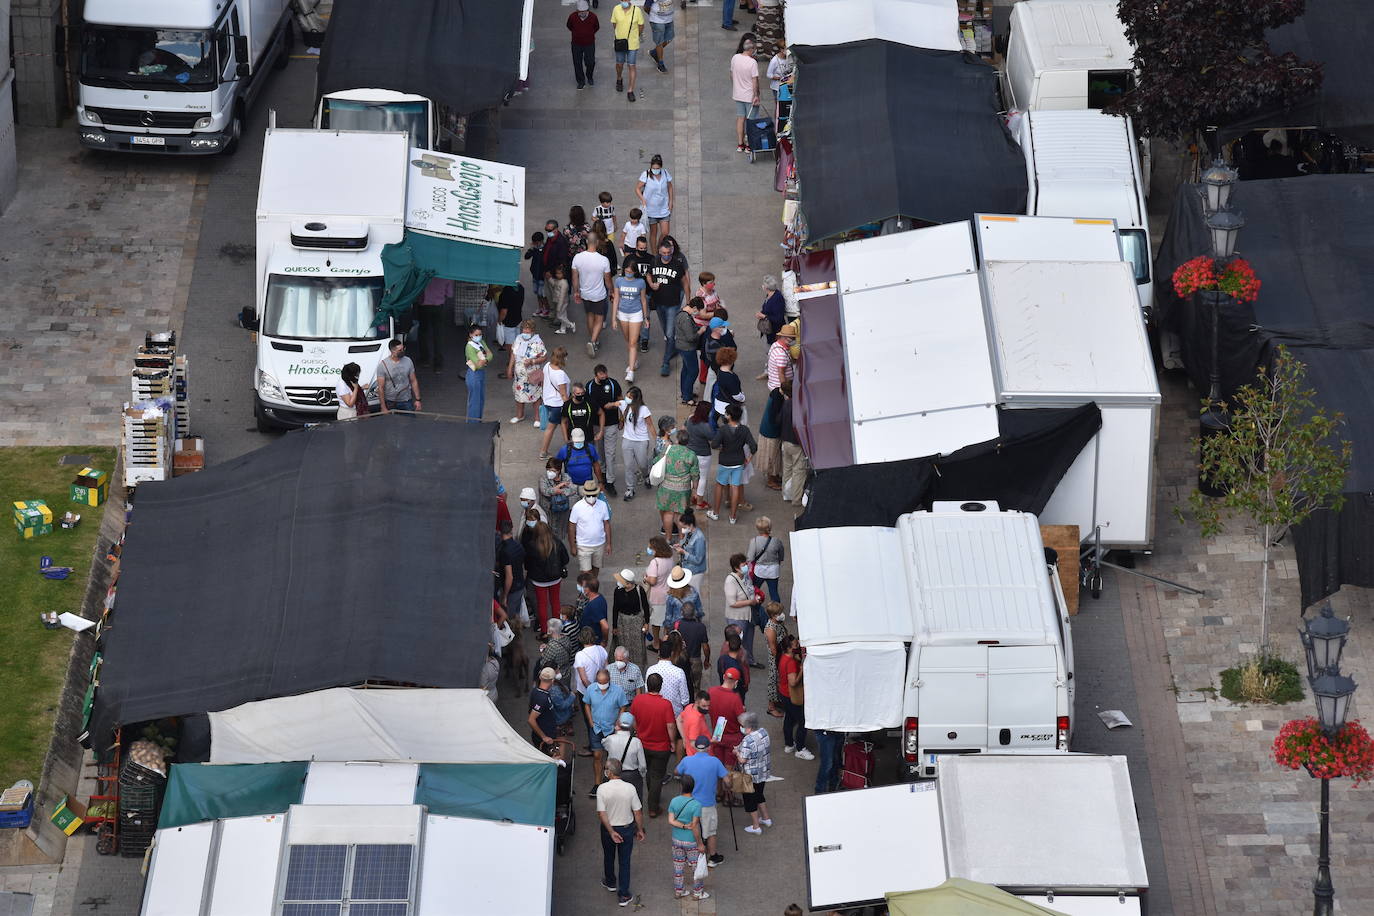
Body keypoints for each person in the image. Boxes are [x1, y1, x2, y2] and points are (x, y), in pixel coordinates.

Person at [596, 758, 645, 906]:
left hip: (608, 829)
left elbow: (602, 814)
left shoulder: (602, 789)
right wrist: (640, 829)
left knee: (609, 856)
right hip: (626, 828)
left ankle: (610, 882)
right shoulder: (630, 788)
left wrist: (611, 831)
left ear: (609, 772)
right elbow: (637, 812)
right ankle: (623, 894)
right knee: (624, 861)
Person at [628, 672, 679, 816]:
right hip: (661, 747)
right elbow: (670, 726)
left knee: (649, 772)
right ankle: (653, 807)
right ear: (661, 686)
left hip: (642, 744)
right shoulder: (665, 704)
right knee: (657, 775)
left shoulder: (638, 700)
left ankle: (652, 796)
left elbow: (633, 720)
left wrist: (639, 731)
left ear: (646, 685)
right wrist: (672, 742)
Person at [675, 736, 728, 868]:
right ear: (709, 747)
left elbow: (676, 771)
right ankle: (713, 857)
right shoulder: (714, 761)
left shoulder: (687, 760)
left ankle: (692, 856)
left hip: (689, 803)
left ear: (695, 747)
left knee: (692, 828)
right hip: (707, 803)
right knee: (710, 831)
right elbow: (727, 780)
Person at [645, 235, 688, 375]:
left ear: (671, 251)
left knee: (670, 333)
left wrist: (689, 302)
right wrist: (651, 284)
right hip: (658, 303)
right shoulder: (654, 261)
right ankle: (673, 348)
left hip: (673, 304)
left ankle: (666, 362)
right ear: (659, 251)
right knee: (666, 330)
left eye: (668, 253)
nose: (666, 256)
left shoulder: (677, 263)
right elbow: (648, 274)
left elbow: (685, 282)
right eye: (663, 253)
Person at [708, 404, 757, 524]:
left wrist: (721, 447)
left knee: (720, 485)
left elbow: (714, 444)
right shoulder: (744, 430)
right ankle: (733, 516)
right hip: (739, 462)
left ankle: (715, 512)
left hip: (725, 461)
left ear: (729, 416)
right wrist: (748, 459)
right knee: (735, 487)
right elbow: (754, 447)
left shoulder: (723, 430)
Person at [585, 667, 631, 792]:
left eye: (604, 682)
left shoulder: (618, 691)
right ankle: (597, 784)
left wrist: (618, 721)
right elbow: (587, 704)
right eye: (599, 682)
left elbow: (623, 706)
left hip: (611, 728)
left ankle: (612, 781)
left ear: (609, 680)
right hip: (596, 728)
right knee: (597, 755)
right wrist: (590, 721)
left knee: (612, 757)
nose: (602, 685)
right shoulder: (591, 689)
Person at [523, 519, 569, 635]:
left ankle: (544, 631)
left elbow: (527, 564)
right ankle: (557, 630)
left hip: (539, 581)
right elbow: (566, 558)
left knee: (542, 604)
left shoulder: (532, 546)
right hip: (555, 578)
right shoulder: (557, 543)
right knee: (555, 602)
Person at [667, 773, 709, 900]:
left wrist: (682, 826)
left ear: (681, 786)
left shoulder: (674, 801)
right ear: (693, 787)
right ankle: (697, 893)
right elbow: (695, 826)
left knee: (678, 866)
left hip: (676, 839)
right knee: (696, 867)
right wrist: (700, 843)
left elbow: (671, 821)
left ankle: (679, 891)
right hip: (691, 841)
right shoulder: (696, 804)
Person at [571, 235, 612, 359]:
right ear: (597, 242)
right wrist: (612, 291)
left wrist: (576, 291)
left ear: (587, 242)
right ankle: (593, 341)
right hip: (599, 294)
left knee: (589, 316)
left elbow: (575, 277)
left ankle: (594, 339)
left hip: (585, 293)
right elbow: (608, 279)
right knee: (599, 319)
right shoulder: (603, 260)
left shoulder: (577, 257)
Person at [587, 365, 624, 497]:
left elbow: (621, 401)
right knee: (599, 452)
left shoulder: (613, 384)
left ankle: (610, 481)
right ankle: (602, 473)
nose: (604, 377)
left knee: (610, 453)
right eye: (601, 375)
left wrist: (622, 418)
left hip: (612, 424)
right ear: (596, 375)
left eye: (605, 374)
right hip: (595, 425)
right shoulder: (590, 387)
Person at [735, 711, 773, 834]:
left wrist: (736, 752)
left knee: (750, 800)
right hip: (763, 771)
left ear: (749, 727)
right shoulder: (764, 732)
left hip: (749, 776)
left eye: (742, 725)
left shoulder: (748, 740)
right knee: (759, 794)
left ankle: (756, 826)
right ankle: (766, 818)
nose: (741, 728)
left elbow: (742, 760)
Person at [611, 260, 648, 381]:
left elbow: (643, 300)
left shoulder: (641, 282)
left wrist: (645, 317)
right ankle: (634, 360)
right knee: (628, 340)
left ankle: (631, 371)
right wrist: (613, 318)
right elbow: (616, 299)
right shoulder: (618, 281)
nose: (628, 273)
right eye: (626, 271)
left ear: (635, 272)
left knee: (632, 342)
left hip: (636, 314)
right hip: (622, 314)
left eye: (631, 272)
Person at [777, 635, 812, 758]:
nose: (797, 644)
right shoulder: (791, 662)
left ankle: (789, 744)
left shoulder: (784, 658)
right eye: (795, 644)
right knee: (802, 721)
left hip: (783, 693)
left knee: (789, 718)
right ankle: (800, 748)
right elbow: (793, 682)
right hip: (791, 695)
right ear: (789, 648)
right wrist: (802, 670)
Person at [724, 553, 762, 666]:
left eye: (746, 564)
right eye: (743, 565)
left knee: (749, 640)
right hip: (737, 617)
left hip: (748, 615)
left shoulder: (746, 576)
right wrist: (751, 602)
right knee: (737, 641)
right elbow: (732, 603)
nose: (746, 566)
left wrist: (756, 598)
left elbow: (750, 589)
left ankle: (749, 660)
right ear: (736, 568)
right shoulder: (730, 581)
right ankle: (736, 664)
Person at [569, 480, 613, 576]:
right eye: (589, 496)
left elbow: (606, 524)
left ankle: (592, 588)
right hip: (583, 545)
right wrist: (572, 546)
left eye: (593, 495)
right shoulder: (577, 507)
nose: (591, 498)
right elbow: (571, 526)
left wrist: (609, 543)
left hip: (600, 544)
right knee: (586, 573)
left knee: (596, 568)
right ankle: (587, 589)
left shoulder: (602, 505)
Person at [508, 319, 548, 424]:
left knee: (536, 396)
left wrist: (532, 361)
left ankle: (537, 418)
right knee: (519, 394)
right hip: (519, 376)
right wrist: (510, 367)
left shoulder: (538, 341)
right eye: (524, 330)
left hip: (532, 375)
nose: (525, 333)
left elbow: (544, 357)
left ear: (533, 330)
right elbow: (513, 354)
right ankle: (519, 415)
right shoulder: (518, 339)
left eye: (527, 331)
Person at [612, 569, 651, 671]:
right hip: (622, 622)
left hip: (636, 621)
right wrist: (614, 626)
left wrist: (647, 623)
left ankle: (638, 667)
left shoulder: (639, 590)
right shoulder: (618, 590)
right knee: (623, 643)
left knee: (638, 645)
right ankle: (624, 664)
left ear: (628, 583)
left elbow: (645, 607)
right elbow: (615, 608)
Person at [604, 711, 647, 803]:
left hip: (614, 774)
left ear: (618, 723)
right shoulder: (636, 741)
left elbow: (603, 744)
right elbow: (642, 765)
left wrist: (615, 730)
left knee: (615, 802)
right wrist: (641, 775)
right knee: (635, 802)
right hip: (632, 775)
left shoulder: (610, 739)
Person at [618, 386, 653, 500]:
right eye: (627, 395)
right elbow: (612, 404)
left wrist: (657, 439)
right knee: (628, 465)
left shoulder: (644, 409)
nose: (627, 398)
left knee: (642, 464)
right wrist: (607, 405)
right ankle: (630, 489)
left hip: (641, 441)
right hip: (627, 440)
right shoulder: (624, 404)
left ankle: (645, 475)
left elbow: (650, 425)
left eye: (630, 397)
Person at [707, 668, 745, 767]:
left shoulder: (711, 692)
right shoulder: (735, 698)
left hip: (717, 735)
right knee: (729, 770)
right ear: (736, 682)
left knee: (718, 767)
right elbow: (742, 721)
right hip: (732, 737)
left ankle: (718, 783)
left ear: (724, 677)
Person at [778, 381, 808, 502]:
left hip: (785, 441)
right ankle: (796, 499)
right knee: (799, 471)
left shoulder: (786, 404)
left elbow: (778, 420)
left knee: (787, 469)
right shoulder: (800, 405)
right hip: (796, 443)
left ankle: (786, 494)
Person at [610, 0, 646, 102]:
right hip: (620, 43)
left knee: (631, 65)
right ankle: (619, 78)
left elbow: (641, 26)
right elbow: (614, 24)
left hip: (632, 44)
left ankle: (630, 90)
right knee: (619, 64)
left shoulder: (637, 11)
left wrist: (635, 36)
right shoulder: (616, 9)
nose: (624, 1)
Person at [539, 347, 571, 458]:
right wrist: (569, 406)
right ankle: (543, 452)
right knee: (552, 427)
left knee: (561, 424)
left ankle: (568, 446)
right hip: (558, 404)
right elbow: (563, 394)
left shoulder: (547, 366)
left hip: (548, 400)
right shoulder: (560, 374)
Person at [644, 535, 675, 648]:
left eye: (650, 547)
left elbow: (652, 580)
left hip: (657, 596)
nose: (649, 549)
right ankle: (666, 641)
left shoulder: (655, 562)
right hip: (669, 593)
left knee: (656, 622)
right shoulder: (670, 559)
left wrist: (645, 578)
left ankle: (656, 644)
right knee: (667, 622)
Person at [674, 601, 711, 696]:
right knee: (696, 687)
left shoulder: (677, 625)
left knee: (680, 685)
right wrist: (706, 660)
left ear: (682, 612)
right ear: (694, 613)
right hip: (695, 660)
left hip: (680, 659)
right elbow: (705, 647)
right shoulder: (700, 627)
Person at [746, 516, 785, 606]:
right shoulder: (776, 541)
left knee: (755, 589)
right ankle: (776, 611)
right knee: (774, 592)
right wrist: (779, 561)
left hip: (759, 570)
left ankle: (755, 606)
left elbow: (750, 558)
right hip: (773, 571)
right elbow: (781, 554)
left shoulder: (754, 541)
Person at [415, 277, 451, 372]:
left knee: (423, 332)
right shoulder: (446, 274)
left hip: (423, 306)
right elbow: (449, 294)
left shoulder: (424, 273)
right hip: (439, 307)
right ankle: (438, 365)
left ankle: (425, 359)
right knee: (438, 334)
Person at [730, 37, 760, 150]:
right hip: (749, 96)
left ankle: (740, 143)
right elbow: (754, 81)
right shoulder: (752, 63)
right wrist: (756, 95)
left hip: (738, 94)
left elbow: (732, 74)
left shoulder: (735, 58)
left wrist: (736, 86)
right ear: (751, 49)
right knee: (750, 120)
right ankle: (749, 145)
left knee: (740, 118)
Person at [376, 338, 421, 413]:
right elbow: (380, 388)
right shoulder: (383, 365)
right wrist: (383, 407)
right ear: (392, 351)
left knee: (410, 422)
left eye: (403, 348)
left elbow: (413, 381)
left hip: (406, 400)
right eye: (400, 350)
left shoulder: (408, 361)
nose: (402, 351)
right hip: (390, 401)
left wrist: (418, 399)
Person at [646, 640, 691, 715]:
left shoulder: (650, 670)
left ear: (659, 653)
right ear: (672, 654)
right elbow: (685, 700)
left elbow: (647, 691)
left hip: (655, 712)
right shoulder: (679, 672)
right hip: (674, 714)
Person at [674, 297, 704, 405]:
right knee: (693, 371)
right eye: (698, 310)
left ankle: (686, 392)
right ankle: (687, 398)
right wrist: (700, 331)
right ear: (694, 307)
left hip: (682, 346)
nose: (699, 312)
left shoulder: (682, 313)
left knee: (686, 370)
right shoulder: (685, 319)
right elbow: (691, 337)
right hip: (687, 348)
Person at [496, 520, 526, 625]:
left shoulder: (504, 551)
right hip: (521, 584)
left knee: (509, 619)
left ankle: (514, 638)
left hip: (512, 589)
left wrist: (504, 596)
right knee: (516, 615)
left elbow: (509, 577)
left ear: (500, 532)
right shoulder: (518, 545)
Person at [762, 601, 790, 718]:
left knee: (779, 680)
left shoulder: (778, 623)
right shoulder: (770, 629)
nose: (782, 614)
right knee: (773, 681)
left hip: (782, 655)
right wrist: (781, 660)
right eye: (779, 613)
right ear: (773, 615)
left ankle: (778, 700)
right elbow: (773, 648)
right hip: (776, 659)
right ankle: (771, 707)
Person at [710, 345, 746, 429]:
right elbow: (736, 396)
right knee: (732, 428)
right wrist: (743, 398)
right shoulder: (731, 377)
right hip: (729, 408)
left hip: (719, 404)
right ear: (732, 360)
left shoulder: (719, 371)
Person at [567, 0, 600, 89]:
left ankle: (589, 76)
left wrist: (589, 34)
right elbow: (569, 26)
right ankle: (580, 81)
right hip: (576, 43)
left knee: (590, 62)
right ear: (577, 11)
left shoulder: (593, 17)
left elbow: (596, 27)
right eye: (580, 12)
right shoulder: (572, 17)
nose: (582, 13)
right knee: (577, 62)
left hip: (589, 43)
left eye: (584, 11)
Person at [463, 324, 493, 422]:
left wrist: (485, 360)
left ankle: (478, 420)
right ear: (471, 334)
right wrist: (485, 359)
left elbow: (490, 355)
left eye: (480, 334)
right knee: (474, 400)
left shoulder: (481, 342)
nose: (479, 336)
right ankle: (472, 423)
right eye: (476, 335)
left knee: (481, 399)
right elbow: (478, 364)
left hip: (481, 373)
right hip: (473, 374)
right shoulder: (469, 347)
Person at [757, 385, 784, 491]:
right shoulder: (778, 400)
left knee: (773, 456)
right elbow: (776, 419)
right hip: (771, 432)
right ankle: (771, 480)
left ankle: (774, 476)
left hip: (767, 429)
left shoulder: (776, 392)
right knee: (772, 457)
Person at [539, 459, 574, 540]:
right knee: (548, 532)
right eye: (548, 470)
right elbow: (545, 491)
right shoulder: (543, 478)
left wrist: (559, 491)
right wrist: (558, 487)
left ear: (558, 471)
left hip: (562, 509)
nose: (549, 472)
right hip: (548, 510)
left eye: (552, 470)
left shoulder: (566, 477)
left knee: (560, 532)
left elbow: (572, 490)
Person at [528, 666, 560, 748]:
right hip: (545, 737)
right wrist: (544, 737)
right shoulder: (542, 698)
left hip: (546, 733)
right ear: (552, 681)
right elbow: (531, 720)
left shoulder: (536, 690)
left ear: (540, 677)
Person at [663, 565, 702, 630]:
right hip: (692, 625)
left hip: (676, 627)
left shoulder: (671, 597)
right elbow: (699, 611)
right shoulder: (693, 592)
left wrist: (667, 628)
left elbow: (668, 616)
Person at [677, 691, 712, 757]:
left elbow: (678, 720)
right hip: (699, 756)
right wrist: (709, 745)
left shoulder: (689, 707)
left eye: (708, 705)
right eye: (704, 706)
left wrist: (684, 738)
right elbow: (693, 743)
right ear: (697, 703)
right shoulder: (696, 721)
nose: (707, 708)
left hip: (691, 753)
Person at [717, 633, 750, 700]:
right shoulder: (738, 667)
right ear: (740, 647)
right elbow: (744, 683)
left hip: (723, 691)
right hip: (736, 696)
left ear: (728, 645)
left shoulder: (721, 659)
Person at [766, 318, 795, 390]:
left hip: (773, 383)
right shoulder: (781, 354)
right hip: (779, 387)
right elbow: (781, 374)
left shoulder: (775, 344)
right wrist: (785, 390)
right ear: (785, 338)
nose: (793, 340)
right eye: (792, 338)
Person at [675, 511, 707, 577]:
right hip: (686, 566)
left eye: (684, 527)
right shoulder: (689, 531)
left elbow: (698, 560)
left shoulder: (699, 539)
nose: (682, 530)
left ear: (691, 525)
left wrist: (683, 552)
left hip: (694, 571)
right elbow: (685, 541)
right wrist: (680, 544)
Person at [579, 575, 610, 644]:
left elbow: (605, 626)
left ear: (588, 589)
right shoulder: (599, 597)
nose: (582, 588)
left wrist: (604, 641)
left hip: (592, 641)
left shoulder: (594, 605)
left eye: (583, 586)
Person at [647, 0, 675, 73]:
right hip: (657, 21)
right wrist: (653, 17)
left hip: (669, 19)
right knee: (659, 42)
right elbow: (646, 7)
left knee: (669, 38)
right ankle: (660, 64)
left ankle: (654, 52)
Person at [813, 728, 843, 795]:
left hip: (838, 728)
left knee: (835, 758)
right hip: (824, 729)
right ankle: (820, 792)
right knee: (827, 762)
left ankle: (833, 786)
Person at [526, 232, 548, 316]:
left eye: (536, 242)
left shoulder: (546, 249)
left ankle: (546, 309)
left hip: (542, 276)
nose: (535, 244)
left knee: (542, 294)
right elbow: (526, 256)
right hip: (535, 274)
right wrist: (531, 248)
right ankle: (540, 308)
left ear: (541, 241)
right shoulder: (534, 249)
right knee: (537, 293)